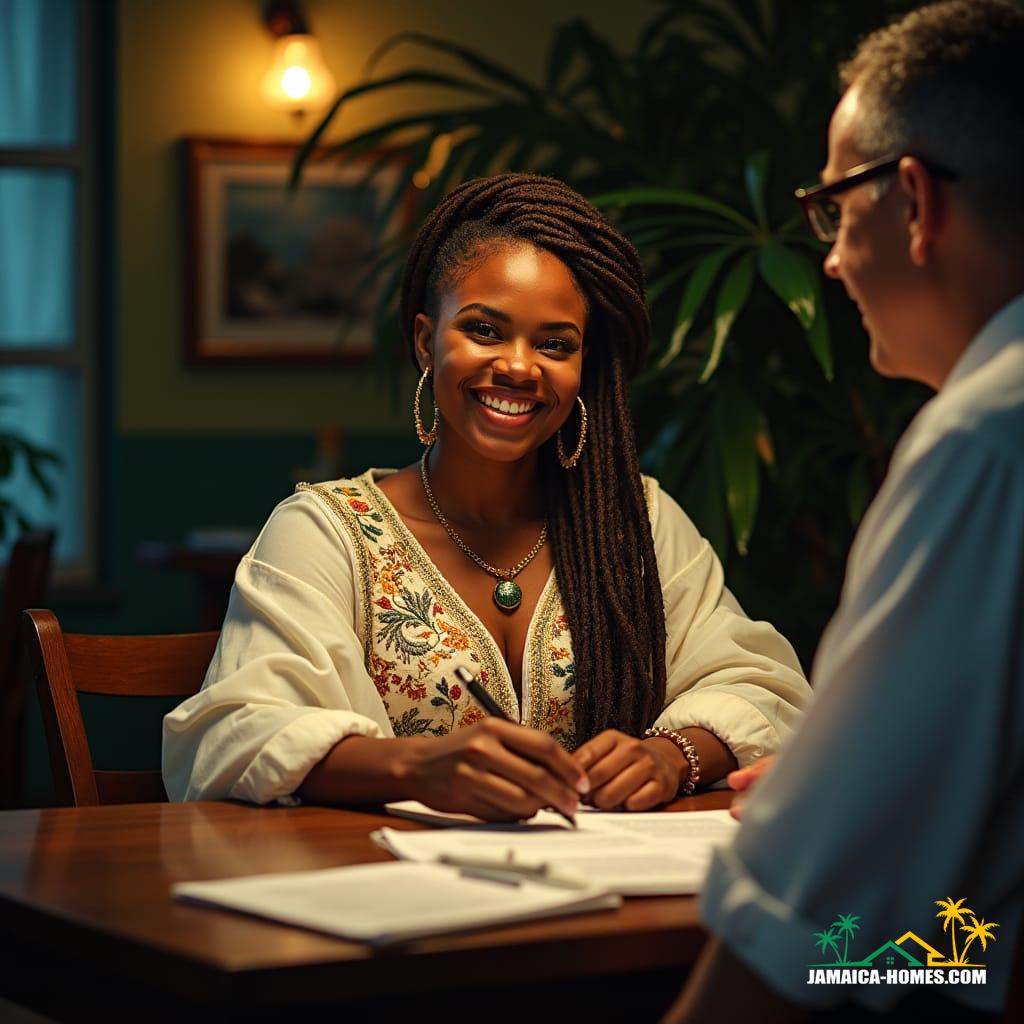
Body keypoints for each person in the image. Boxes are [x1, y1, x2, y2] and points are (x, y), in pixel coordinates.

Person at [162, 173, 810, 821]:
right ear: (425, 342)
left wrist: (672, 756)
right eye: (485, 330)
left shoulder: (633, 521)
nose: (521, 367)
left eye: (555, 344)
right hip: (387, 900)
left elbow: (762, 684)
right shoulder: (325, 531)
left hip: (603, 891)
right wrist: (418, 768)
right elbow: (235, 733)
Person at [664, 1, 1024, 1020]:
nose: (823, 258)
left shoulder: (984, 440)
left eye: (832, 206)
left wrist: (836, 798)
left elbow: (814, 916)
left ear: (914, 201)